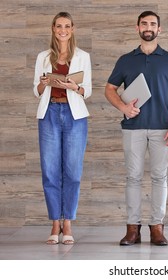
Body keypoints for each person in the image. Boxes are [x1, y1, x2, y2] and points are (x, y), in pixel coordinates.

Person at [105, 11, 168, 246]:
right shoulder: (126, 60)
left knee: (160, 177)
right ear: (137, 28)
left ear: (159, 29)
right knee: (133, 178)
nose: (148, 27)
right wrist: (123, 106)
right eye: (144, 23)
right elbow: (109, 89)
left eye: (152, 24)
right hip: (133, 128)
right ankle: (133, 229)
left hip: (162, 127)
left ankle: (157, 227)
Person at [33, 12, 92, 245]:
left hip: (74, 115)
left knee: (72, 171)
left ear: (73, 29)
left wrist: (74, 86)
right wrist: (44, 82)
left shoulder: (82, 56)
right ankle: (54, 222)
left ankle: (68, 221)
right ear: (53, 28)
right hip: (49, 113)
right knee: (50, 170)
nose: (63, 30)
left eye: (67, 26)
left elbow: (87, 90)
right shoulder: (43, 57)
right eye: (59, 26)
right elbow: (36, 90)